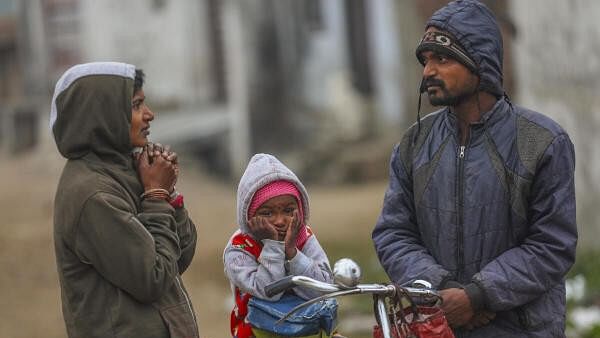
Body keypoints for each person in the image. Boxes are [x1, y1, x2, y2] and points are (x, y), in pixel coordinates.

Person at [372, 1, 577, 337]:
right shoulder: (413, 145)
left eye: (442, 58)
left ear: (479, 63)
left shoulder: (542, 142)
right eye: (425, 61)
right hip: (439, 326)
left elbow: (552, 244)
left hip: (520, 329)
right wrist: (441, 290)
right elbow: (393, 234)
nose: (427, 72)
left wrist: (478, 296)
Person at [51, 62, 199, 337]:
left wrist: (168, 194)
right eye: (136, 105)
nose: (149, 115)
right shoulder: (93, 194)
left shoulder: (126, 171)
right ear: (104, 115)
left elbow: (179, 259)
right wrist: (155, 195)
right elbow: (153, 278)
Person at [223, 153, 336, 338]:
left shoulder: (303, 236)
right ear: (249, 216)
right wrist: (273, 245)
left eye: (288, 211)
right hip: (257, 331)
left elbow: (323, 288)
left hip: (308, 331)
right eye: (267, 213)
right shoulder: (239, 249)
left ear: (300, 209)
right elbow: (268, 292)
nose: (280, 221)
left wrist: (293, 253)